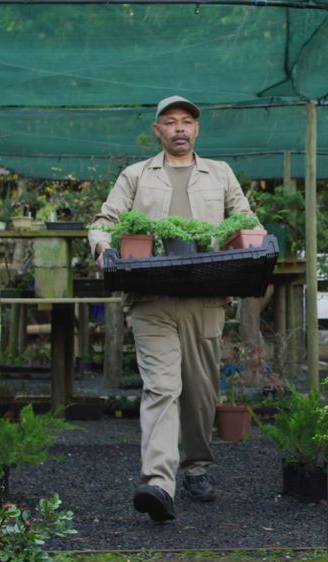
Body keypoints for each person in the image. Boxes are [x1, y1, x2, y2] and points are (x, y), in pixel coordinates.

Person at [88, 95, 257, 522]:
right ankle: (158, 484)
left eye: (186, 122)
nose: (179, 128)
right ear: (157, 131)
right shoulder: (136, 176)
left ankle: (196, 466)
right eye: (170, 122)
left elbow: (246, 218)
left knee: (200, 392)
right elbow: (104, 222)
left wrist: (251, 239)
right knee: (161, 388)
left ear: (196, 130)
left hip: (205, 298)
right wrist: (103, 246)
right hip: (152, 299)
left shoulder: (219, 174)